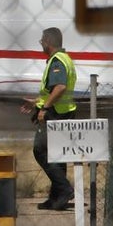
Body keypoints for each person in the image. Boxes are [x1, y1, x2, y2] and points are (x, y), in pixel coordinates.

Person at [21, 27, 78, 211]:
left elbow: (60, 87)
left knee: (40, 150)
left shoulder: (57, 61)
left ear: (48, 41)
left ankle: (64, 188)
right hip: (64, 111)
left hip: (56, 113)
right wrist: (37, 102)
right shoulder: (66, 58)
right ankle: (57, 198)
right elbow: (53, 91)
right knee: (58, 155)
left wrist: (44, 108)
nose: (41, 44)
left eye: (42, 41)